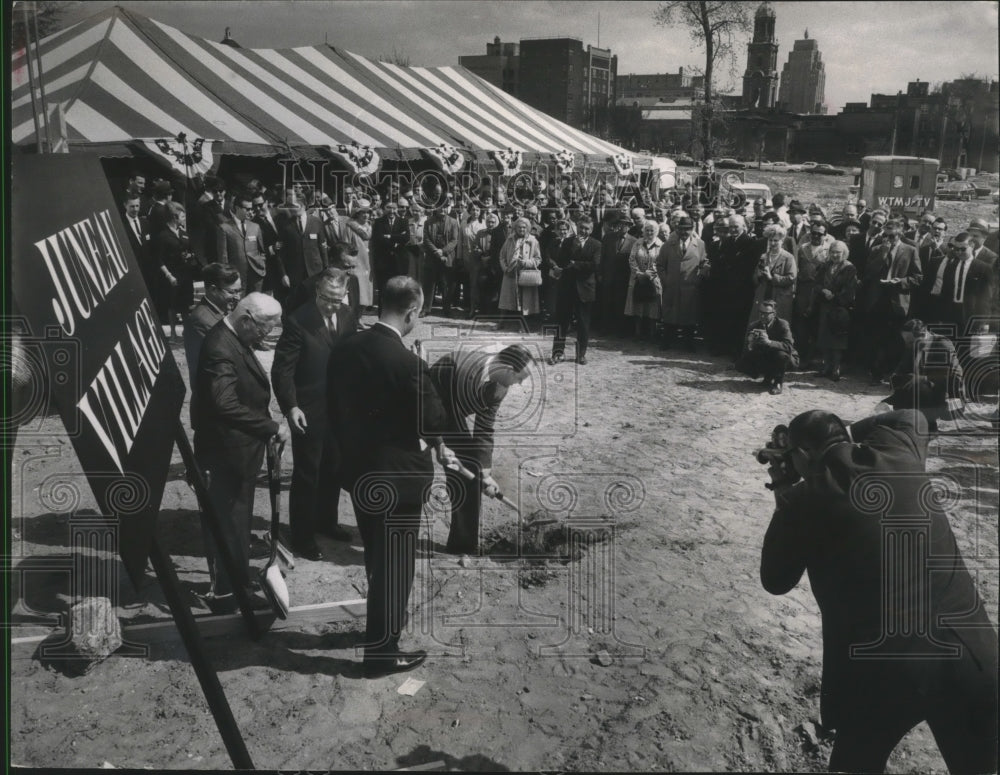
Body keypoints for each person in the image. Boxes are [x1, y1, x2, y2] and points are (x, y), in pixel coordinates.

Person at [760, 409, 997, 774]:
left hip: (884, 672)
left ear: (804, 455)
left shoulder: (803, 499)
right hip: (971, 652)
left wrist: (783, 491)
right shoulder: (898, 450)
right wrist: (842, 434)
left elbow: (775, 581)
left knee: (857, 765)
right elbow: (913, 415)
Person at [326, 276, 458, 678]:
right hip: (398, 481)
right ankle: (382, 651)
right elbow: (434, 420)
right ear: (413, 312)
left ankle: (376, 633)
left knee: (376, 558)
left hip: (359, 470)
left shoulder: (345, 346)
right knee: (395, 566)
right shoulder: (408, 363)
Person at [193, 293, 291, 612]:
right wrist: (270, 427)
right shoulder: (220, 347)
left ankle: (237, 584)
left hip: (240, 453)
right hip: (224, 455)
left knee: (238, 524)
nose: (267, 335)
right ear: (246, 319)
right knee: (227, 525)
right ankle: (226, 596)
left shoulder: (236, 336)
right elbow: (223, 404)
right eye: (265, 328)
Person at [272, 268, 358, 561]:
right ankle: (302, 536)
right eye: (326, 298)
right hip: (308, 410)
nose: (332, 305)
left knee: (334, 467)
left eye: (337, 299)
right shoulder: (298, 321)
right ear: (317, 292)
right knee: (308, 473)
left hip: (340, 408)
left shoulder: (348, 314)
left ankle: (326, 521)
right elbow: (282, 370)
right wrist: (290, 406)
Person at [427, 344, 534, 554]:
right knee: (459, 466)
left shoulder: (500, 386)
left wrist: (485, 472)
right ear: (509, 370)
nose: (519, 384)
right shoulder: (460, 368)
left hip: (454, 411)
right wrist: (440, 443)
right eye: (520, 378)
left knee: (472, 471)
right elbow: (435, 410)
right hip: (429, 402)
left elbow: (485, 427)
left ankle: (462, 545)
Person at [860, 218, 922, 385]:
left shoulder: (910, 250)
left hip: (898, 299)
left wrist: (901, 282)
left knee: (895, 339)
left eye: (892, 236)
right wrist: (882, 255)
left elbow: (918, 278)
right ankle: (876, 372)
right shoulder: (877, 249)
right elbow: (868, 273)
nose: (889, 239)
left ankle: (892, 373)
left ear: (900, 233)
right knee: (877, 336)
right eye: (886, 236)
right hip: (878, 298)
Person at [884, 318, 964, 430]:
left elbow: (948, 375)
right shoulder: (913, 345)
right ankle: (904, 423)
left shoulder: (942, 343)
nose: (908, 345)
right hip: (922, 390)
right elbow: (901, 367)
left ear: (923, 335)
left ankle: (929, 426)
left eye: (910, 341)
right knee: (904, 387)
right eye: (906, 342)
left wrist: (920, 378)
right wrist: (896, 377)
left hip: (946, 393)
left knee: (918, 388)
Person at [549, 216, 600, 365]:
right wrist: (572, 255)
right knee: (561, 322)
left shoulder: (596, 244)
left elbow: (595, 265)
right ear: (576, 227)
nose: (583, 230)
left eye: (587, 228)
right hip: (567, 287)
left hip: (585, 289)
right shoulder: (568, 242)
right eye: (581, 227)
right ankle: (557, 353)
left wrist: (575, 264)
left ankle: (581, 355)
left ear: (591, 230)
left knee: (583, 324)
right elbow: (562, 262)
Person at [183, 262, 242, 380]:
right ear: (213, 289)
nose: (238, 297)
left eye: (239, 290)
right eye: (232, 292)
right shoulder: (200, 320)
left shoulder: (224, 308)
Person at [657, 215, 708, 351]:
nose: (684, 232)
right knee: (670, 315)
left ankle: (688, 344)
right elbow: (660, 265)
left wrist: (699, 278)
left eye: (688, 229)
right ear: (677, 230)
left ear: (692, 230)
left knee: (689, 316)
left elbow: (704, 263)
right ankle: (667, 342)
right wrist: (665, 279)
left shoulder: (700, 245)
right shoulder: (668, 245)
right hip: (672, 286)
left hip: (690, 287)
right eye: (682, 229)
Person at [151, 202, 196, 339]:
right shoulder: (163, 236)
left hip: (185, 274)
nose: (184, 219)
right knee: (172, 304)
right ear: (174, 218)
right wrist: (169, 276)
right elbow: (159, 260)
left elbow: (190, 250)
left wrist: (190, 256)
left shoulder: (183, 233)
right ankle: (172, 333)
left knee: (186, 304)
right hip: (172, 275)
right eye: (182, 216)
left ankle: (187, 331)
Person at [814, 240, 856, 381]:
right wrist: (823, 291)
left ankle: (836, 367)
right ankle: (826, 366)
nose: (835, 255)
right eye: (832, 252)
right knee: (824, 336)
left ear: (844, 253)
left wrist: (835, 296)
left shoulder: (849, 268)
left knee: (837, 338)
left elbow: (849, 289)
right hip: (825, 305)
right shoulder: (826, 265)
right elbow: (817, 283)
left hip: (839, 307)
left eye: (838, 252)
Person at [737, 300, 799, 395]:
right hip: (767, 355)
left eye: (766, 314)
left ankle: (778, 382)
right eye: (760, 313)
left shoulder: (782, 324)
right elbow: (747, 349)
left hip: (786, 357)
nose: (762, 316)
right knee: (741, 365)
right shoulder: (754, 325)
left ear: (774, 314)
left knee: (781, 355)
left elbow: (789, 346)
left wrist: (769, 342)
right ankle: (768, 377)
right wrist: (751, 343)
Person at [216, 192, 267, 294]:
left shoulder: (255, 227)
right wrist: (227, 276)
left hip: (256, 275)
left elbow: (262, 251)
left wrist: (262, 265)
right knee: (238, 306)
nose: (250, 212)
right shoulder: (225, 228)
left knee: (256, 305)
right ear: (237, 208)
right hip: (237, 276)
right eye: (247, 209)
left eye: (251, 209)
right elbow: (223, 256)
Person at [497, 217, 542, 328]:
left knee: (524, 301)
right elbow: (501, 256)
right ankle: (501, 322)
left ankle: (523, 325)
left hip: (525, 274)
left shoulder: (533, 240)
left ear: (527, 228)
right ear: (515, 228)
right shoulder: (509, 239)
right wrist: (505, 268)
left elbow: (538, 259)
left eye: (524, 227)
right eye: (519, 227)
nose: (521, 229)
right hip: (510, 273)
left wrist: (526, 262)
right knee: (506, 299)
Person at [750, 223, 796, 329]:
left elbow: (791, 278)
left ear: (782, 241)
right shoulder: (764, 256)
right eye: (770, 240)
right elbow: (755, 279)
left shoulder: (788, 257)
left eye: (776, 240)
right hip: (764, 295)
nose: (773, 243)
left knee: (777, 326)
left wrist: (772, 277)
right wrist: (758, 275)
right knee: (759, 323)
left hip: (779, 297)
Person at [625, 220, 663, 339]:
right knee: (638, 305)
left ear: (656, 231)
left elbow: (660, 262)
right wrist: (638, 273)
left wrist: (648, 273)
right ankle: (638, 332)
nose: (649, 232)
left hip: (653, 279)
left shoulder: (660, 245)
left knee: (652, 306)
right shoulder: (637, 243)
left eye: (652, 230)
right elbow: (631, 259)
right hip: (637, 279)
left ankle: (652, 333)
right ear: (643, 231)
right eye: (647, 230)